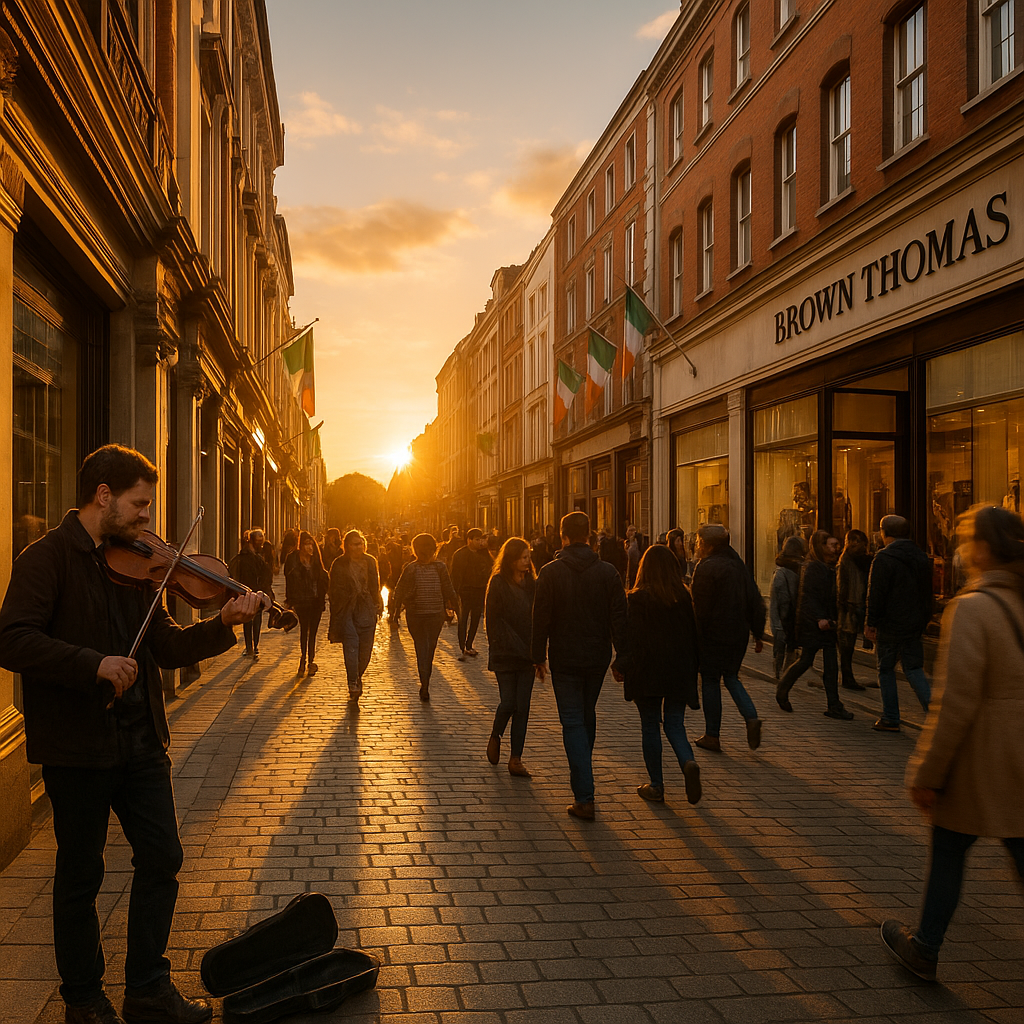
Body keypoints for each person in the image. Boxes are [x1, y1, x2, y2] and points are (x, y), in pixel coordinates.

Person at [0, 445, 261, 1024]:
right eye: (139, 504)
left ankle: (147, 987)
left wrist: (222, 624)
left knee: (162, 858)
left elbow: (165, 645)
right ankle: (83, 1000)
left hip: (141, 740)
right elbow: (12, 639)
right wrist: (93, 663)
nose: (148, 517)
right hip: (77, 746)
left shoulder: (139, 565)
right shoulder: (46, 558)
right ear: (103, 497)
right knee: (80, 876)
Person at [881, 505, 1024, 982]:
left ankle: (924, 948)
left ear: (982, 548)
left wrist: (927, 772)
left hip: (982, 759)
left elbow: (955, 702)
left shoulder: (973, 606)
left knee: (948, 851)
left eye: (965, 539)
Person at [531, 511, 627, 820]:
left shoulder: (550, 572)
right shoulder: (609, 572)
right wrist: (621, 656)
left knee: (572, 721)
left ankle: (585, 797)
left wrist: (538, 656)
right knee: (586, 714)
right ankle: (583, 772)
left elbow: (540, 618)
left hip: (565, 657)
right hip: (597, 656)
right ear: (589, 536)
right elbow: (619, 619)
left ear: (563, 536)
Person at [615, 544, 702, 805]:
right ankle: (688, 761)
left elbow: (632, 639)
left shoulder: (637, 599)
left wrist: (621, 664)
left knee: (650, 725)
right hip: (678, 671)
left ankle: (656, 785)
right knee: (675, 724)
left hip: (647, 671)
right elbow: (693, 637)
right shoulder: (684, 597)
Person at [690, 525, 766, 752]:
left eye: (699, 542)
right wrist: (758, 633)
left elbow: (699, 610)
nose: (697, 547)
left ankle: (712, 735)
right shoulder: (738, 565)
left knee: (711, 681)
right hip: (738, 634)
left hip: (713, 635)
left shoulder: (706, 568)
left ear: (709, 545)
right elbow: (756, 600)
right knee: (731, 677)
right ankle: (751, 716)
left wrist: (693, 637)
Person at [776, 530, 854, 720]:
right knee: (807, 661)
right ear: (821, 546)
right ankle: (783, 690)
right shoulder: (813, 568)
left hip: (826, 622)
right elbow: (808, 597)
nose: (835, 548)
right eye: (831, 545)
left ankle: (833, 704)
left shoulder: (826, 567)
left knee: (825, 664)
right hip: (815, 623)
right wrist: (820, 618)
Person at [864, 515, 933, 732]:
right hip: (914, 622)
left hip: (890, 623)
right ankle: (935, 716)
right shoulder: (921, 557)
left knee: (885, 669)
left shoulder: (884, 558)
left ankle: (891, 716)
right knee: (913, 668)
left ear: (885, 533)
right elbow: (927, 593)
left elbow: (876, 593)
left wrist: (870, 622)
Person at [484, 538, 537, 777]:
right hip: (505, 652)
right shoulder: (498, 582)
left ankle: (516, 758)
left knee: (523, 707)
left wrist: (538, 651)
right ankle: (496, 735)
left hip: (527, 653)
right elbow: (492, 619)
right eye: (523, 557)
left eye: (528, 557)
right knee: (509, 702)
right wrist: (497, 644)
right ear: (512, 558)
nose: (527, 561)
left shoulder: (532, 584)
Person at [390, 533, 459, 702]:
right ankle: (425, 682)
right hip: (419, 615)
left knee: (425, 648)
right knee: (426, 648)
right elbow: (399, 592)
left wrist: (396, 613)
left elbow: (448, 588)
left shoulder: (439, 567)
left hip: (433, 615)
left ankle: (425, 681)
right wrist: (395, 613)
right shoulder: (412, 568)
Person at [328, 530, 384, 700]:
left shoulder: (370, 561)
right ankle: (352, 682)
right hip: (347, 610)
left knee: (366, 650)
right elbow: (334, 589)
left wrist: (378, 603)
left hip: (367, 608)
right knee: (351, 647)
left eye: (360, 543)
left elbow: (375, 584)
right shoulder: (339, 563)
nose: (358, 547)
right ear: (347, 546)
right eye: (354, 544)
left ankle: (358, 676)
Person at [284, 531, 329, 677]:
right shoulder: (293, 559)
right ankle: (303, 659)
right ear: (301, 545)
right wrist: (290, 601)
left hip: (315, 601)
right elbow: (289, 580)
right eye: (306, 544)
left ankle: (311, 661)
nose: (310, 547)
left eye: (311, 544)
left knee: (313, 633)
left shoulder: (316, 560)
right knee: (304, 630)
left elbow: (322, 578)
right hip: (301, 601)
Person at [228, 531, 274, 660]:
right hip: (248, 591)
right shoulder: (245, 557)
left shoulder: (260, 555)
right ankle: (251, 647)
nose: (260, 543)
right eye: (258, 541)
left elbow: (267, 574)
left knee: (254, 619)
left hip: (254, 591)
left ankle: (252, 647)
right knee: (250, 619)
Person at [837, 529, 871, 692]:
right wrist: (843, 605)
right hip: (850, 607)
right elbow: (842, 586)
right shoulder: (846, 561)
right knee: (846, 645)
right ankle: (847, 677)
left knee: (854, 644)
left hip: (860, 605)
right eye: (856, 541)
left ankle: (847, 677)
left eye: (862, 542)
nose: (860, 545)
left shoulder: (864, 560)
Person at [450, 528, 491, 660]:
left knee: (475, 619)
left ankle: (469, 644)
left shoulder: (483, 554)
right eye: (477, 539)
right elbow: (455, 575)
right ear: (469, 540)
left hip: (479, 590)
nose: (479, 542)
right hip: (465, 591)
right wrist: (454, 594)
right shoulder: (460, 554)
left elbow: (490, 568)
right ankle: (462, 645)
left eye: (480, 539)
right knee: (463, 618)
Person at [770, 535, 805, 681]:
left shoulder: (790, 571)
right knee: (785, 648)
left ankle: (783, 676)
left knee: (784, 648)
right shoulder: (786, 572)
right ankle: (782, 677)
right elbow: (780, 600)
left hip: (785, 618)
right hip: (785, 618)